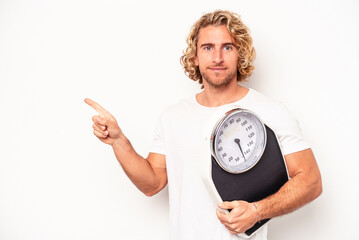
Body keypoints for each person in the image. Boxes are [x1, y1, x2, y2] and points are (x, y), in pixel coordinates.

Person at [85, 10, 322, 240]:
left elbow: (310, 180)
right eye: (208, 48)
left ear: (240, 54)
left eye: (227, 47)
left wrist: (257, 212)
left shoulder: (271, 112)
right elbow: (152, 183)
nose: (217, 57)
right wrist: (118, 142)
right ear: (195, 57)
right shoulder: (173, 117)